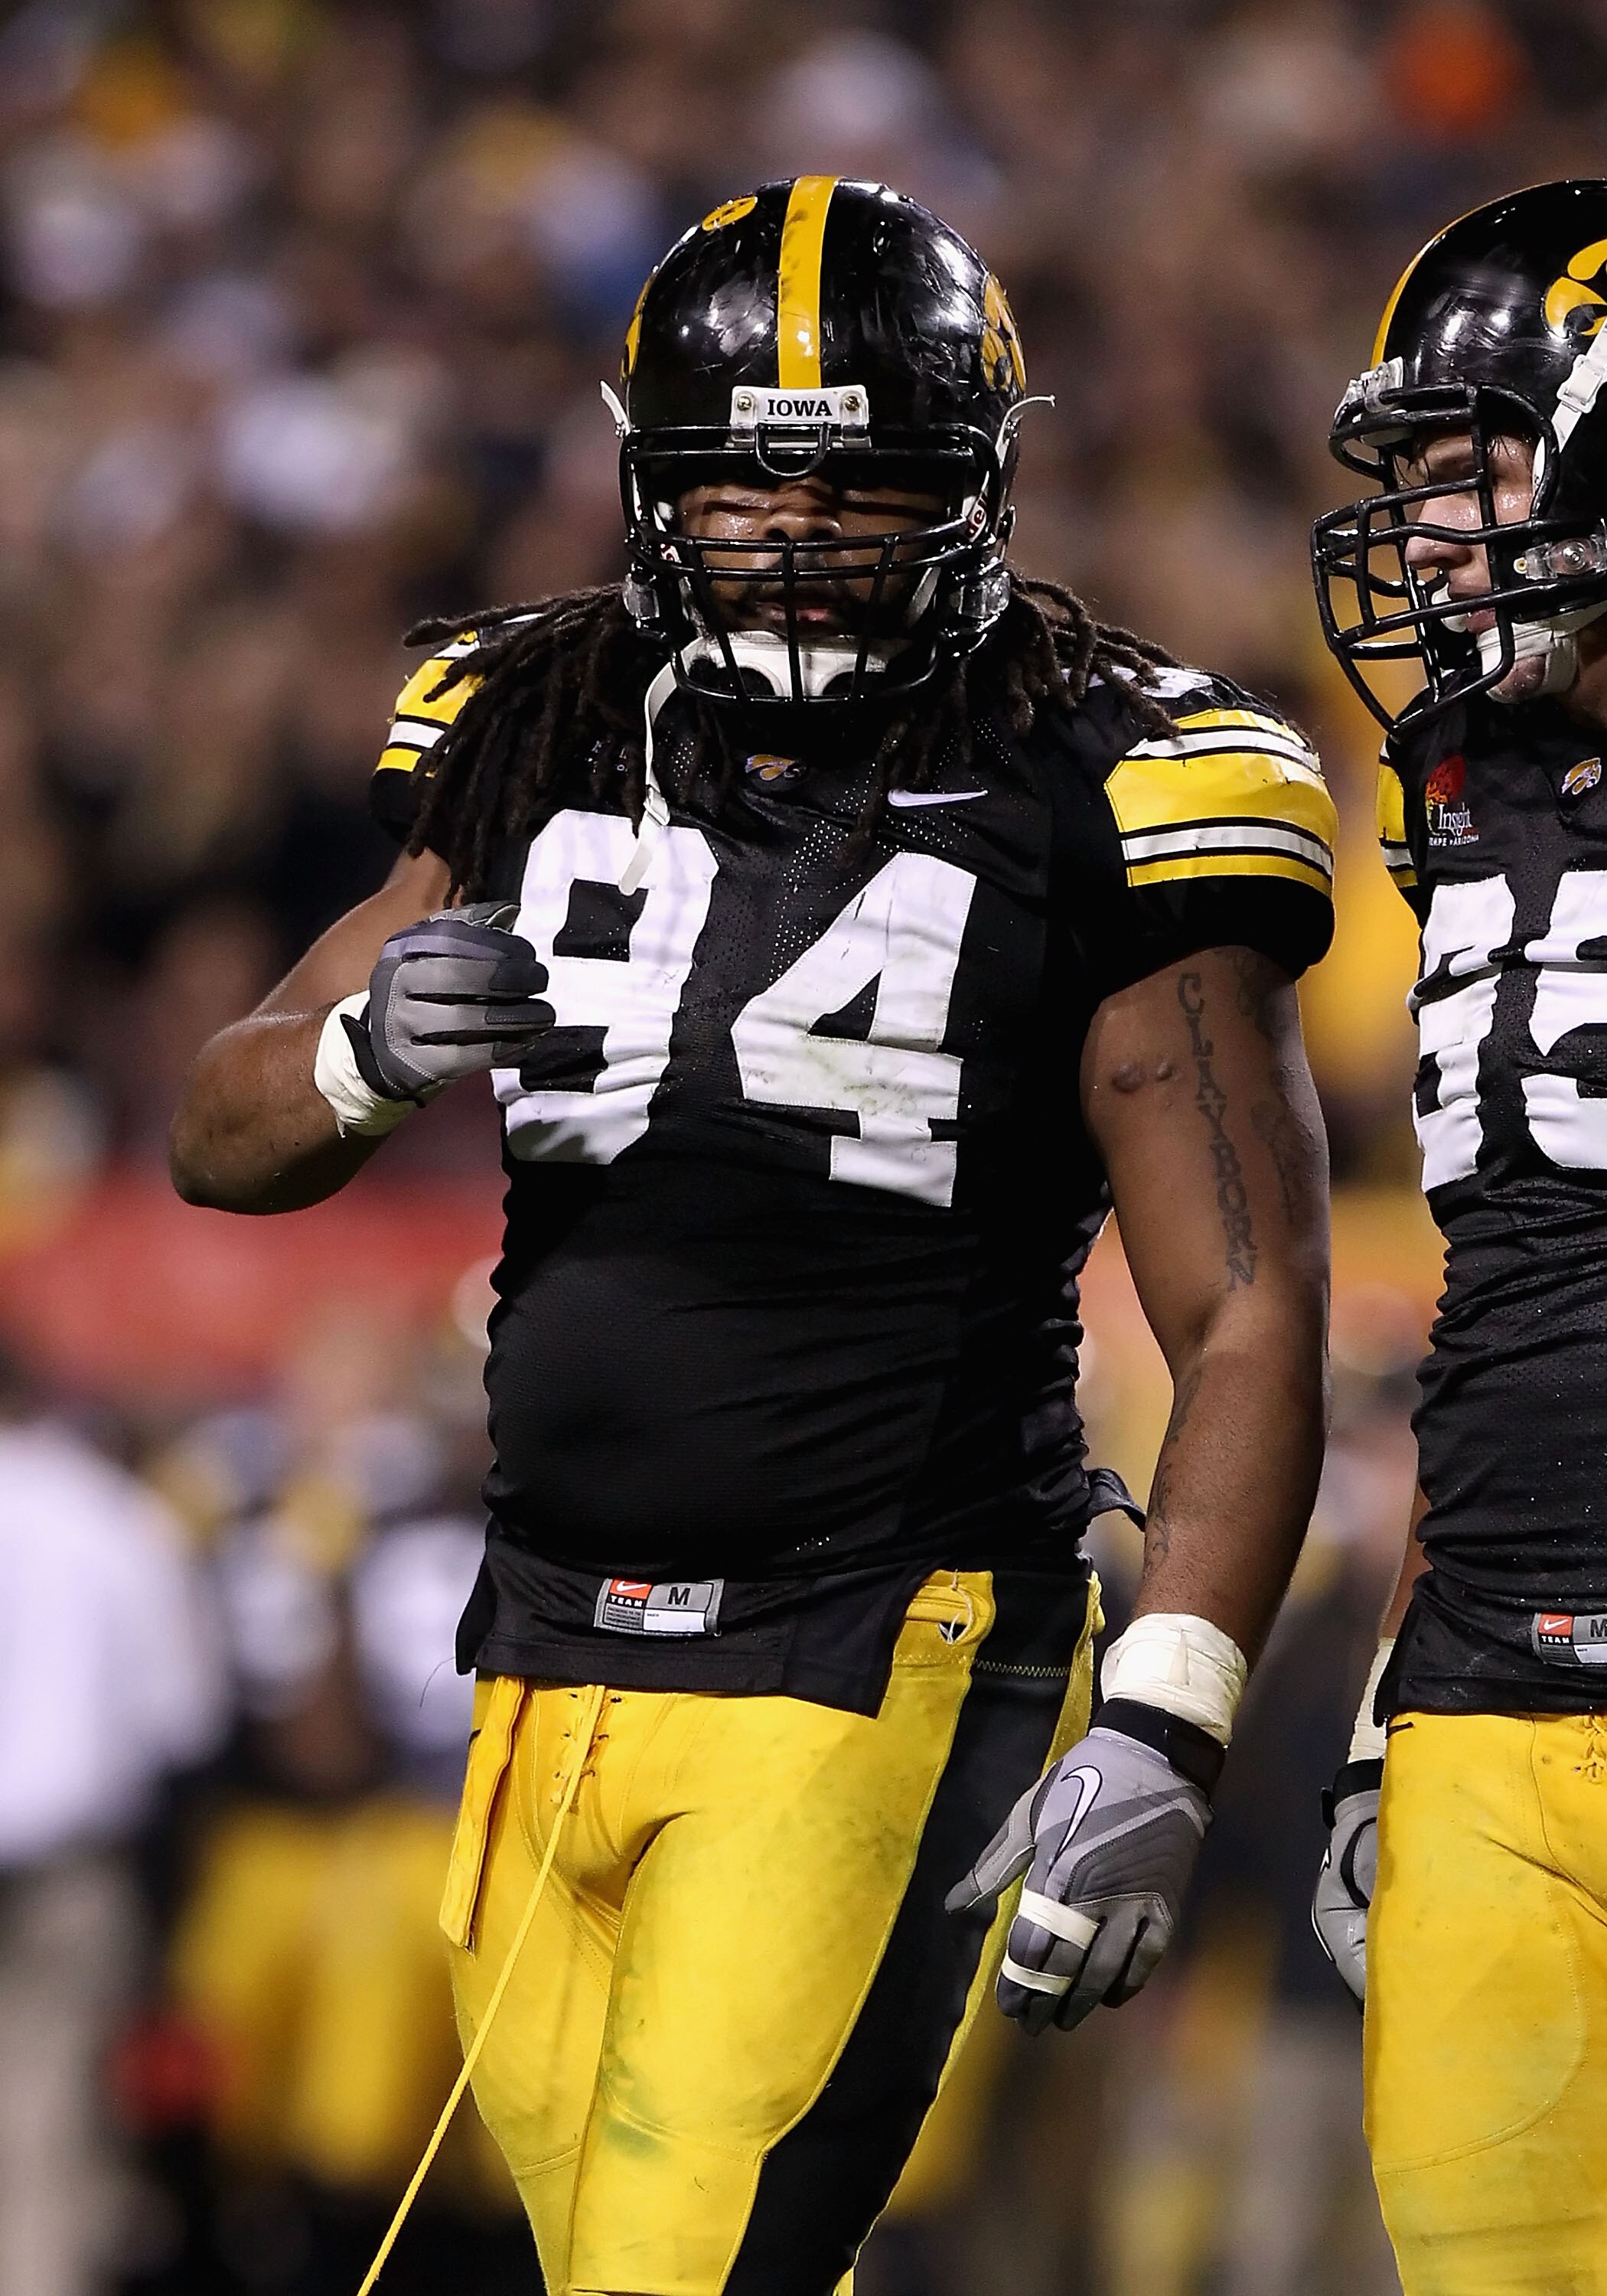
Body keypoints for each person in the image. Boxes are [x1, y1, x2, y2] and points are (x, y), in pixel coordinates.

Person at [171, 176, 1332, 2295]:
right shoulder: (536, 721)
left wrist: (1165, 1709)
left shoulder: (1103, 766)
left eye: (862, 488)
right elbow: (220, 1133)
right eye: (739, 489)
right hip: (539, 1659)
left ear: (970, 483)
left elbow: (1247, 1301)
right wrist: (355, 1045)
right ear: (647, 486)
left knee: (681, 2269)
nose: (793, 540)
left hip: (877, 1639)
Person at [1312, 177, 1607, 2295]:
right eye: (1407, 481)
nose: (1425, 533)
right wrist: (1377, 1707)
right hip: (1493, 1680)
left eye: (1472, 466)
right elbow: (1501, 1299)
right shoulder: (1457, 777)